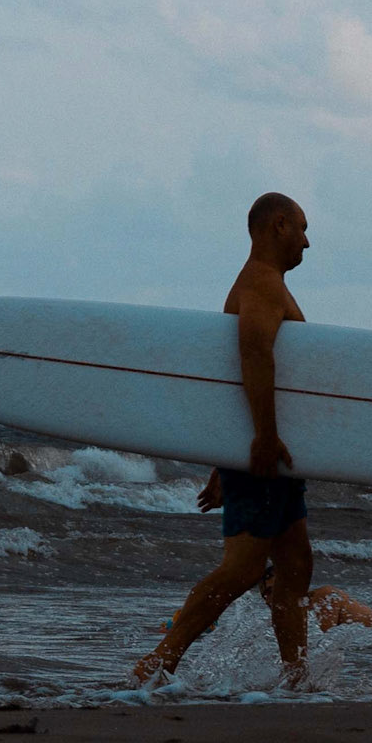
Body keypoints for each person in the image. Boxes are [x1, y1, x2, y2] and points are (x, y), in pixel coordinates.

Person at [132, 192, 313, 686]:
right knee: (243, 569)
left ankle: (296, 676)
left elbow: (230, 382)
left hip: (271, 449)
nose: (307, 242)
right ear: (279, 225)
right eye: (302, 228)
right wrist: (263, 438)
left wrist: (225, 452)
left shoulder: (266, 283)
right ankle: (158, 662)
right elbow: (253, 355)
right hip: (268, 448)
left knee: (296, 565)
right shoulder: (261, 282)